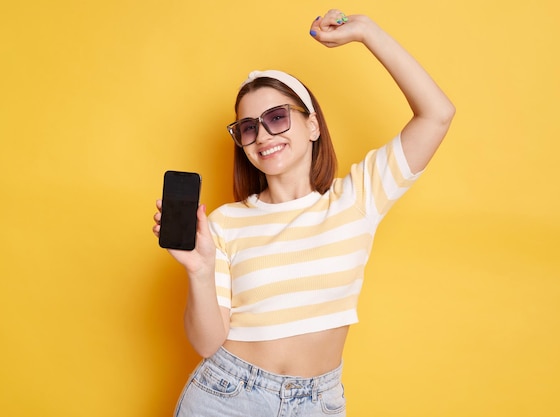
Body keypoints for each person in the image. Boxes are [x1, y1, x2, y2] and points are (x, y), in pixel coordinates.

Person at [153, 8, 455, 417]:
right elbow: (207, 343)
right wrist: (200, 271)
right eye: (248, 127)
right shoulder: (225, 223)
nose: (263, 135)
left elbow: (437, 114)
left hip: (318, 403)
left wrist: (366, 33)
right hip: (226, 397)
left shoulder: (357, 199)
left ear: (312, 125)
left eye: (277, 118)